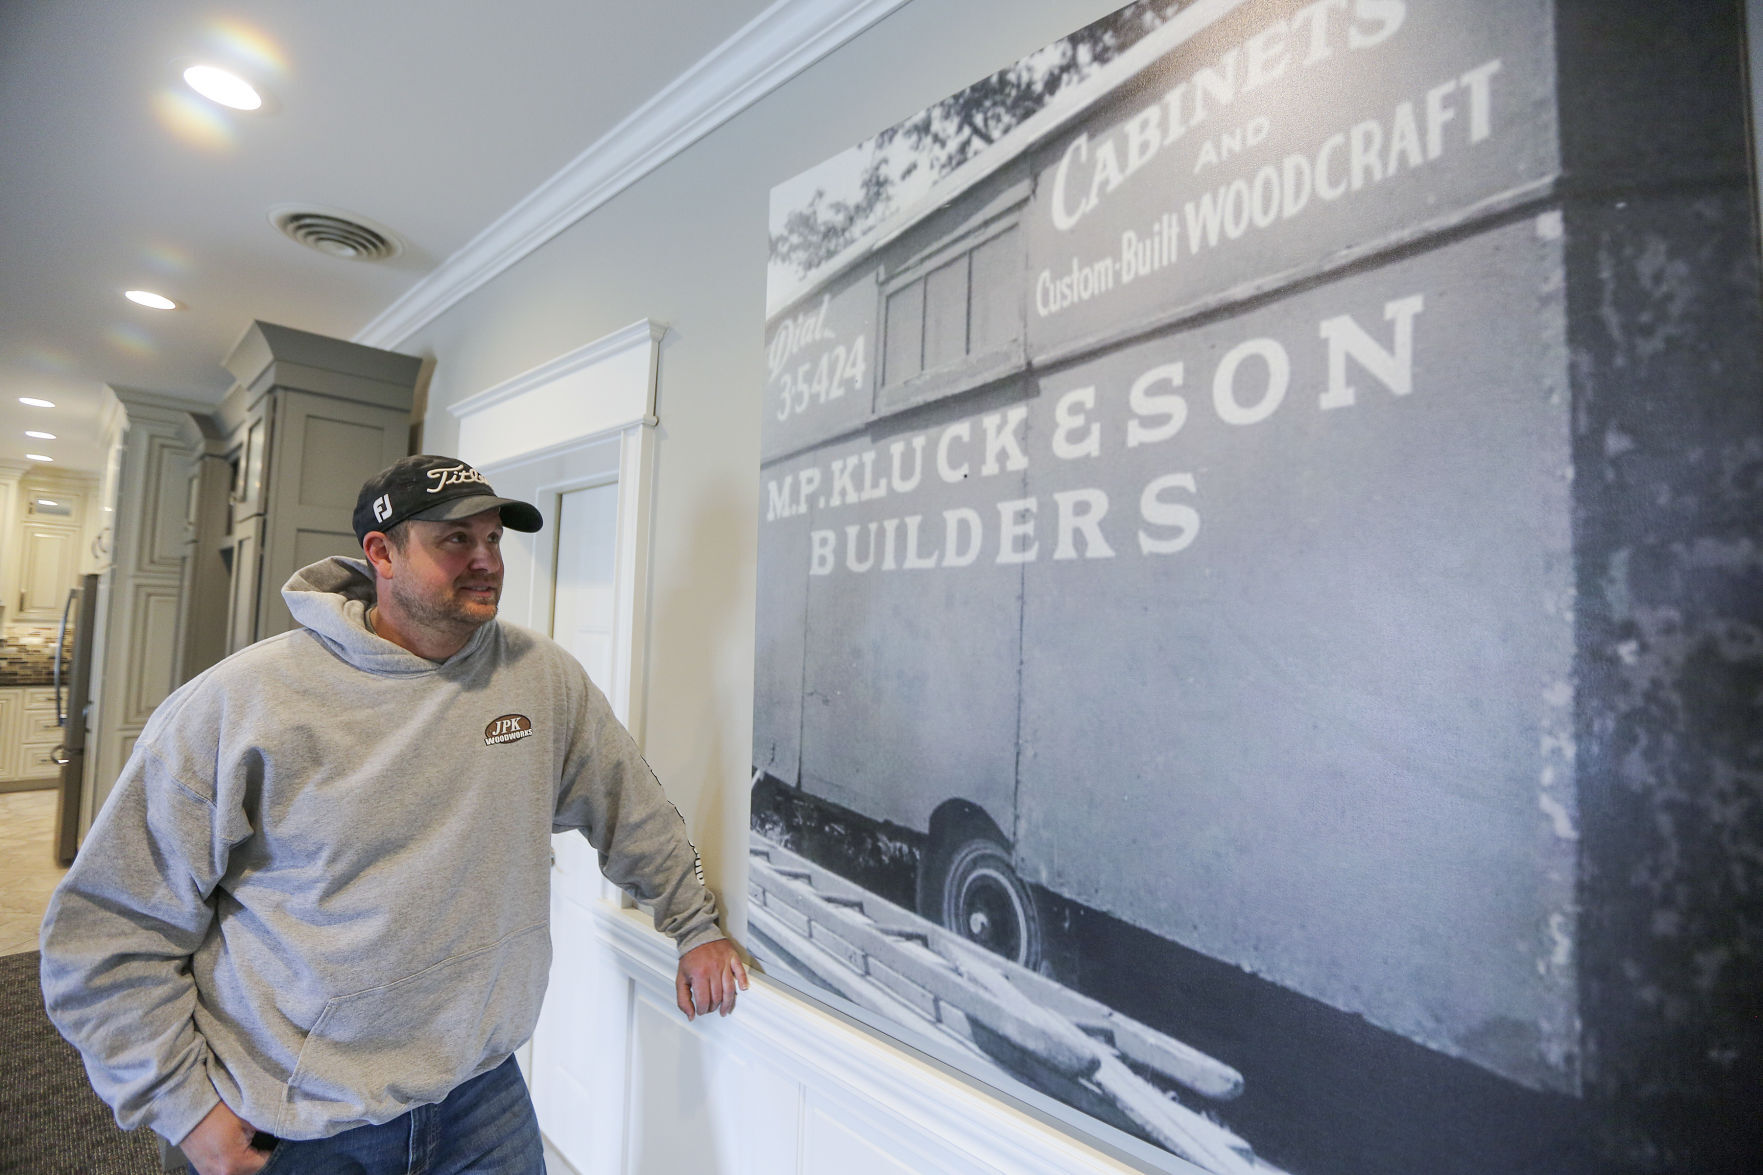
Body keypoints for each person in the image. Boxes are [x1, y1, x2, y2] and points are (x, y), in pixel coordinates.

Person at [40, 454, 747, 1175]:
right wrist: (183, 1107)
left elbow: (632, 804)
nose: (486, 560)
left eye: (494, 538)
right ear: (381, 552)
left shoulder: (540, 678)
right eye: (455, 540)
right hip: (295, 1117)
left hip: (480, 1091)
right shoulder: (243, 703)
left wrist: (694, 925)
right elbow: (105, 930)